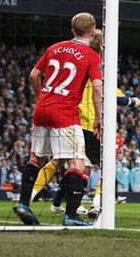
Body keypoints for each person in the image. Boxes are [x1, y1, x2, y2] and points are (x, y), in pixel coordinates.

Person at [30, 30, 140, 220]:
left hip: (70, 121)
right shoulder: (96, 67)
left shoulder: (78, 62)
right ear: (102, 47)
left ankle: (42, 199)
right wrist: (133, 101)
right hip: (90, 126)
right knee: (106, 165)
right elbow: (110, 94)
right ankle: (96, 205)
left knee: (63, 163)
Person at [14, 12, 102, 226]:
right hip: (65, 113)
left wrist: (40, 97)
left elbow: (34, 75)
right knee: (78, 162)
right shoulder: (91, 55)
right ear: (92, 31)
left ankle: (23, 204)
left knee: (36, 158)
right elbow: (97, 88)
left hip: (42, 109)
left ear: (72, 29)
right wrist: (98, 118)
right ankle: (71, 215)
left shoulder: (54, 48)